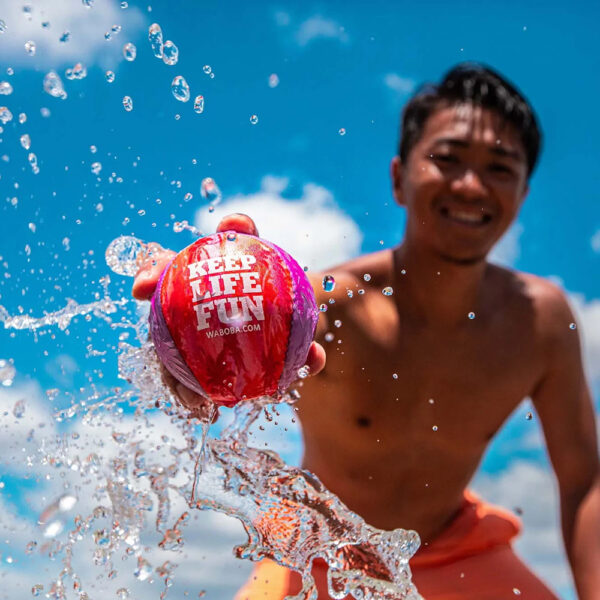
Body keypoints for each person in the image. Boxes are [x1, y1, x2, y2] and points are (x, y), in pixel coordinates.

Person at [133, 64, 600, 599]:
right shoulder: (330, 307)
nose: (471, 186)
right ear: (400, 178)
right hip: (314, 555)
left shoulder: (539, 322)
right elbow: (255, 313)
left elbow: (585, 480)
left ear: (522, 193)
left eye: (499, 167)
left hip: (460, 551)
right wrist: (194, 313)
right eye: (446, 160)